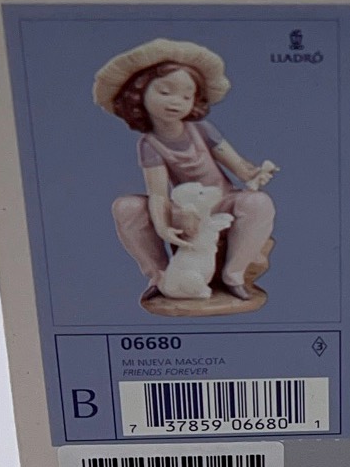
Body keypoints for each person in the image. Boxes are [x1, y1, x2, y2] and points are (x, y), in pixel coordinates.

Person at [93, 38, 276, 302]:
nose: (175, 102)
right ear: (139, 94)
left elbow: (239, 166)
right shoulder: (150, 143)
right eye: (165, 92)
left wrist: (254, 174)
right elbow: (158, 194)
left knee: (259, 202)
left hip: (221, 200)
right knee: (126, 207)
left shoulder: (202, 130)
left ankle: (233, 274)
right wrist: (163, 226)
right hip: (185, 209)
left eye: (186, 96)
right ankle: (160, 275)